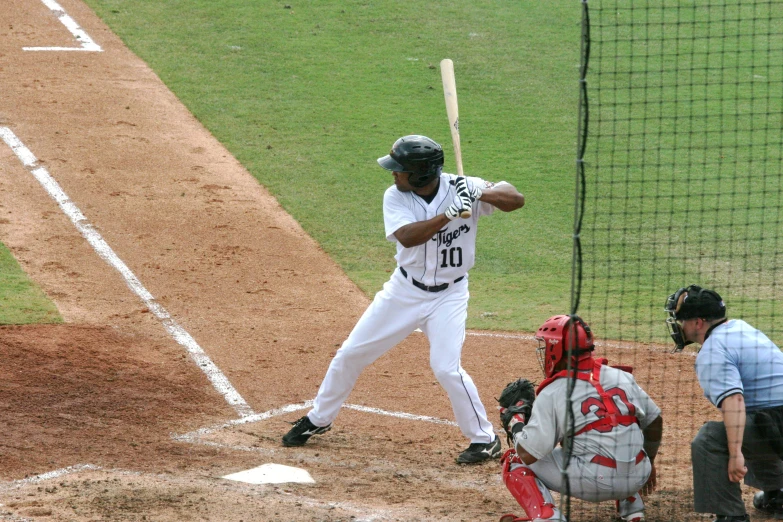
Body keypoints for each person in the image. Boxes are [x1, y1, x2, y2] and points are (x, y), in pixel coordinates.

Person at [282, 134, 525, 463]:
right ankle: (318, 420)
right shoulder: (395, 197)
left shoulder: (463, 186)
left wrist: (480, 191)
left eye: (401, 169)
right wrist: (449, 214)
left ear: (423, 173)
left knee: (446, 368)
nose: (394, 174)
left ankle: (484, 439)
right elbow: (409, 237)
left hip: (450, 295)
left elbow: (516, 199)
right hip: (404, 292)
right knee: (350, 354)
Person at [499, 314, 663, 522]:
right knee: (612, 431)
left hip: (595, 481)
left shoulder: (554, 391)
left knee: (514, 458)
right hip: (638, 474)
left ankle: (547, 516)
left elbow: (529, 454)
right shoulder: (620, 376)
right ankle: (632, 506)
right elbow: (654, 420)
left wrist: (516, 422)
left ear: (556, 349)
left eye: (546, 346)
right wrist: (648, 461)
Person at [664, 285, 783, 522]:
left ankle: (731, 516)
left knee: (713, 437)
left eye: (681, 320)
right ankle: (777, 494)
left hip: (777, 424)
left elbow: (734, 401)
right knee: (750, 421)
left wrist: (735, 453)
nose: (678, 325)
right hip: (775, 421)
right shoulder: (742, 328)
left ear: (698, 323)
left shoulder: (713, 350)